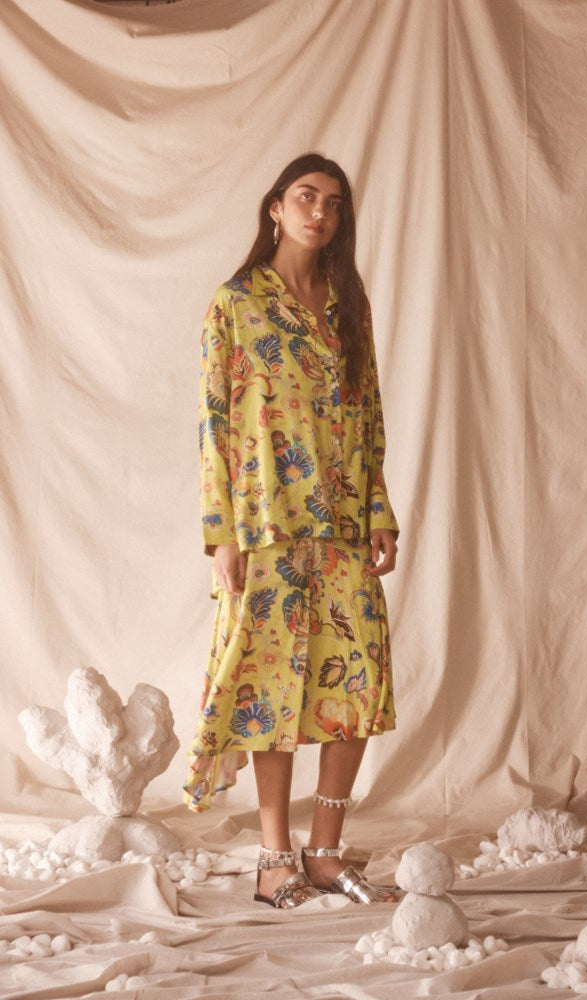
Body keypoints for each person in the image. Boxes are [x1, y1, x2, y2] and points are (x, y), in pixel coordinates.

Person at [183, 153, 399, 908]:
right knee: (267, 687)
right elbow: (214, 425)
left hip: (340, 522)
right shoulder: (235, 304)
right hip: (265, 522)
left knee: (358, 679)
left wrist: (378, 511)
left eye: (333, 203)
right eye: (305, 198)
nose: (320, 213)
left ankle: (324, 851)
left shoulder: (349, 303)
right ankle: (272, 857)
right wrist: (221, 535)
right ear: (275, 207)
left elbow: (368, 412)